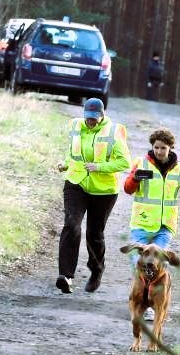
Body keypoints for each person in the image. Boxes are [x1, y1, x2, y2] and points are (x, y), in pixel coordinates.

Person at [123, 128, 180, 320]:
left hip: (165, 226)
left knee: (155, 264)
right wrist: (134, 178)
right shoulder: (141, 164)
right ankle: (139, 298)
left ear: (170, 148)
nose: (159, 151)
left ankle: (150, 304)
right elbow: (127, 189)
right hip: (141, 223)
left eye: (163, 148)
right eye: (156, 147)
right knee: (139, 263)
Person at [55, 98, 132, 294]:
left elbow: (125, 162)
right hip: (76, 183)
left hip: (104, 191)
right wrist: (65, 163)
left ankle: (96, 271)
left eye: (94, 119)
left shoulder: (113, 132)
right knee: (72, 225)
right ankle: (66, 276)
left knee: (94, 233)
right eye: (88, 118)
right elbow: (74, 152)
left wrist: (100, 167)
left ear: (102, 115)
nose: (90, 121)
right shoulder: (75, 125)